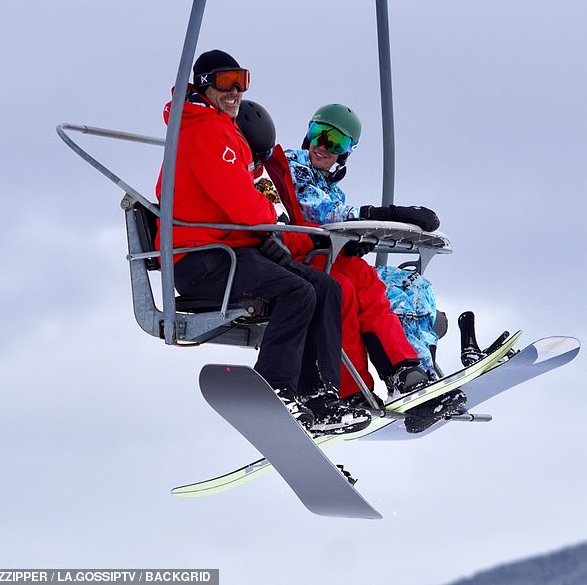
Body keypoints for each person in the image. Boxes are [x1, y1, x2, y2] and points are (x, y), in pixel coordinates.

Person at [155, 51, 369, 433]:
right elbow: (245, 205)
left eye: (241, 79)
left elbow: (250, 196)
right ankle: (276, 389)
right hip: (201, 259)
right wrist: (268, 223)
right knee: (297, 292)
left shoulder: (223, 129)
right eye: (225, 81)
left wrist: (266, 228)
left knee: (325, 287)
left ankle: (321, 395)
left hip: (232, 250)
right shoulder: (201, 131)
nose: (235, 90)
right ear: (204, 85)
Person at [265, 103, 441, 406]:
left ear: (346, 152)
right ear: (308, 134)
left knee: (366, 278)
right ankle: (349, 389)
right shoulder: (292, 165)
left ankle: (403, 371)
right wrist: (382, 215)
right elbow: (319, 211)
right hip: (292, 255)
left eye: (335, 142)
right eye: (318, 134)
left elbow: (330, 215)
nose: (322, 146)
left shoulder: (329, 184)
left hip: (317, 251)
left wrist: (354, 239)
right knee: (342, 289)